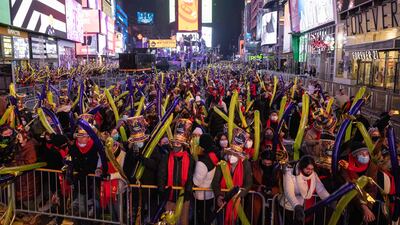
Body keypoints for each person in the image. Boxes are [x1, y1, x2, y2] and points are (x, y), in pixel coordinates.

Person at [212, 128, 253, 225]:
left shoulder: (245, 164)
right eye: (231, 152)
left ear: (240, 155)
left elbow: (248, 183)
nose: (232, 155)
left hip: (238, 203)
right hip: (222, 202)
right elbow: (215, 182)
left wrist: (239, 195)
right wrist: (218, 196)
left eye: (235, 153)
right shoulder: (222, 163)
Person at [157, 119, 195, 225]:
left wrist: (188, 189)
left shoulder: (190, 159)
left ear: (182, 144)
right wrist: (162, 190)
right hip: (170, 196)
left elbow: (190, 175)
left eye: (179, 143)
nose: (176, 145)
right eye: (175, 143)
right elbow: (161, 173)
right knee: (168, 221)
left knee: (183, 221)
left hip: (184, 197)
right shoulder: (166, 157)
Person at [280, 155, 330, 225]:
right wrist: (296, 206)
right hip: (288, 207)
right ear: (301, 167)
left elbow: (320, 189)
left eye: (312, 169)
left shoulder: (313, 175)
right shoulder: (290, 173)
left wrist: (330, 199)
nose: (309, 171)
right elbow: (289, 192)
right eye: (307, 168)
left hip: (302, 207)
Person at [193, 133, 219, 225]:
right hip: (209, 194)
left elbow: (197, 181)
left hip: (201, 195)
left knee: (201, 220)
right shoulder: (213, 156)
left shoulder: (203, 162)